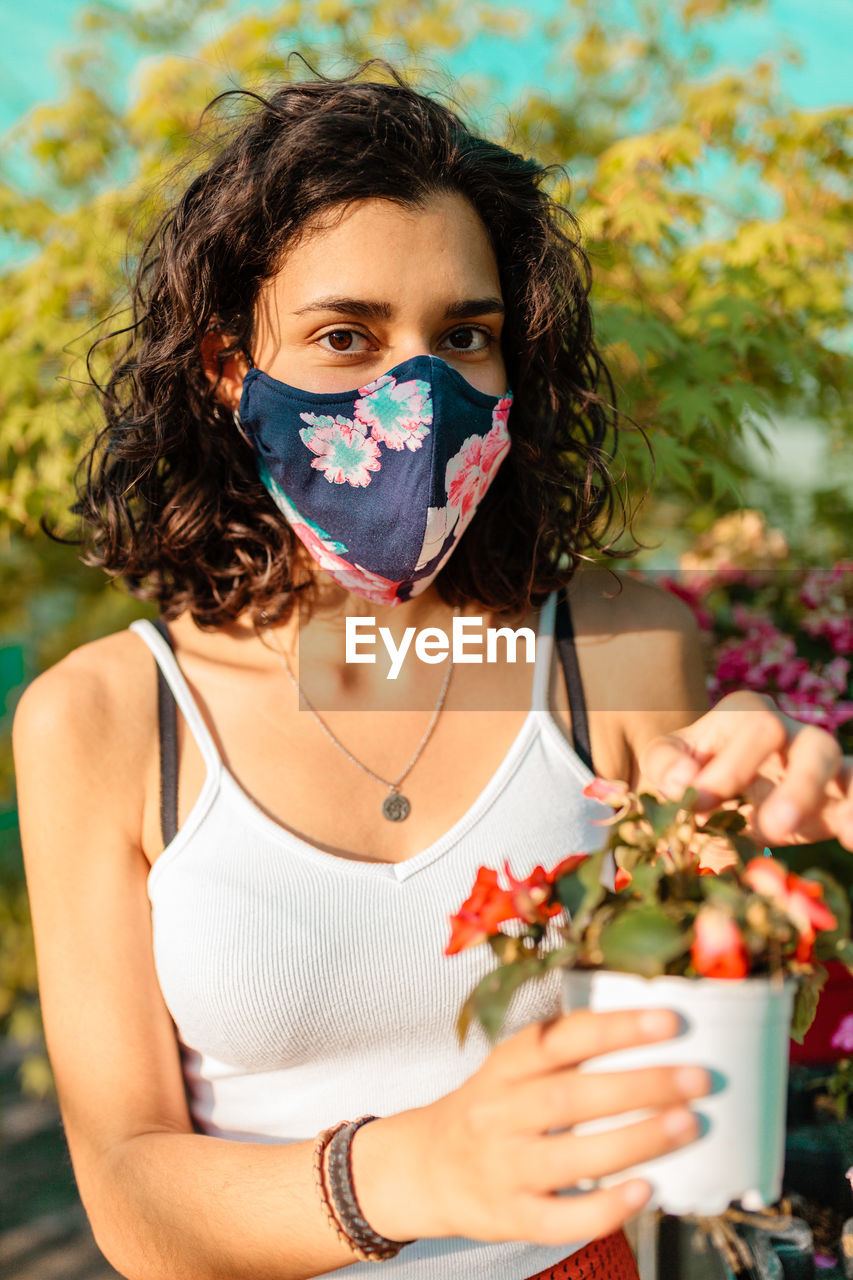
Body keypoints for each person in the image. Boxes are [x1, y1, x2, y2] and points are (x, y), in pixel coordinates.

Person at [13, 62, 853, 1280]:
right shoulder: (105, 717)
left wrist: (803, 846)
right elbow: (134, 1203)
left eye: (465, 336)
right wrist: (421, 1165)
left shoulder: (615, 651)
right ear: (225, 369)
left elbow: (720, 1045)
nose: (421, 393)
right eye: (345, 336)